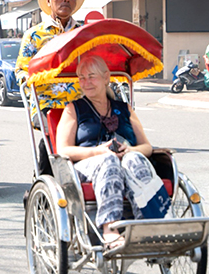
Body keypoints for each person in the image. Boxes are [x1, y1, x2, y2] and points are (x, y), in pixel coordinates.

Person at [56, 55, 168, 248]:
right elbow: (63, 150)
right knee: (109, 160)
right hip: (86, 166)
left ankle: (148, 223)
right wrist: (97, 152)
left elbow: (147, 147)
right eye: (81, 78)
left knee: (134, 158)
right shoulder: (74, 109)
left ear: (106, 77)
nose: (85, 82)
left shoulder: (124, 109)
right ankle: (110, 227)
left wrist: (130, 150)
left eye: (91, 76)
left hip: (125, 163)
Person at [15, 0, 88, 120]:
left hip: (82, 104)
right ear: (49, 0)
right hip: (46, 104)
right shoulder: (33, 34)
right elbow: (21, 71)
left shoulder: (84, 34)